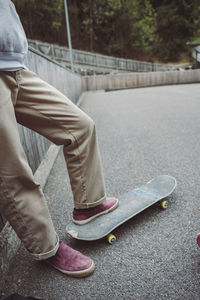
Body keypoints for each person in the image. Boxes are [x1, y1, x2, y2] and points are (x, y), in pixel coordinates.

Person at [0, 0, 118, 278]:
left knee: (80, 126)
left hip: (16, 66)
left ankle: (88, 205)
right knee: (12, 170)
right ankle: (48, 247)